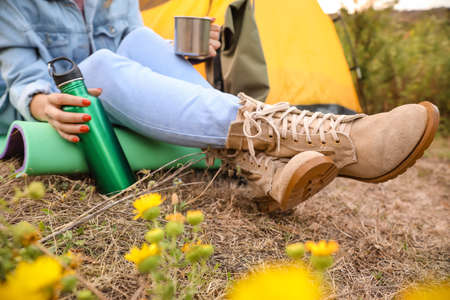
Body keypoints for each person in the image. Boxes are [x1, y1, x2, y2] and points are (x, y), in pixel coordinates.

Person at [0, 0, 439, 211]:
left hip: (124, 99)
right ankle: (339, 137)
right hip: (66, 111)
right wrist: (40, 103)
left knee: (141, 39)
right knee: (93, 68)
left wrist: (174, 51)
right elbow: (23, 79)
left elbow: (127, 55)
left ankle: (262, 167)